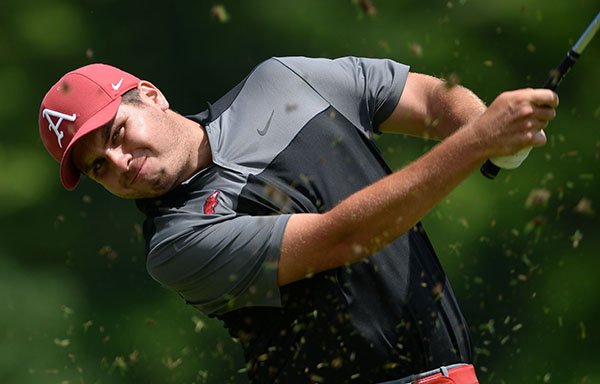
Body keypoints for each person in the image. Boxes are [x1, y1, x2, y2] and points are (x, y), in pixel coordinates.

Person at [38, 57, 558, 384]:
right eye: (99, 167)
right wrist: (478, 142)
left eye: (117, 132)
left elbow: (425, 98)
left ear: (151, 95)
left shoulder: (283, 81)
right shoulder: (176, 243)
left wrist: (479, 126)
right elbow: (345, 237)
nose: (121, 163)